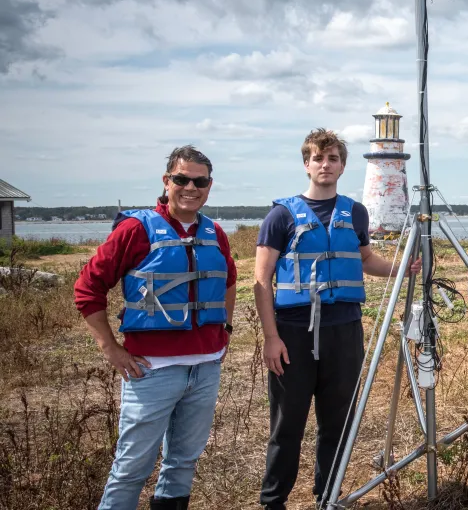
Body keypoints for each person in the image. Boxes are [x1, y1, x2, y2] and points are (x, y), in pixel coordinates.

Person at [255, 129, 420, 510]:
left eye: (332, 159)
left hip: (344, 331)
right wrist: (270, 337)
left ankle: (327, 498)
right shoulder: (280, 216)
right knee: (287, 425)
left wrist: (401, 268)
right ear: (306, 164)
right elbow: (262, 280)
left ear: (343, 166)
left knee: (338, 423)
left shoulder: (355, 212)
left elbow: (365, 260)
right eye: (318, 158)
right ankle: (272, 501)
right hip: (294, 334)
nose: (325, 165)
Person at [75, 146, 237, 510]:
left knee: (183, 461)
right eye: (181, 179)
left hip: (206, 366)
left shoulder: (215, 232)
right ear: (167, 182)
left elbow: (229, 280)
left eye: (200, 181)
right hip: (152, 370)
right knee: (132, 466)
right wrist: (110, 348)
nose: (190, 187)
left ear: (209, 186)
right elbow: (88, 289)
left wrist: (224, 330)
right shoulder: (136, 229)